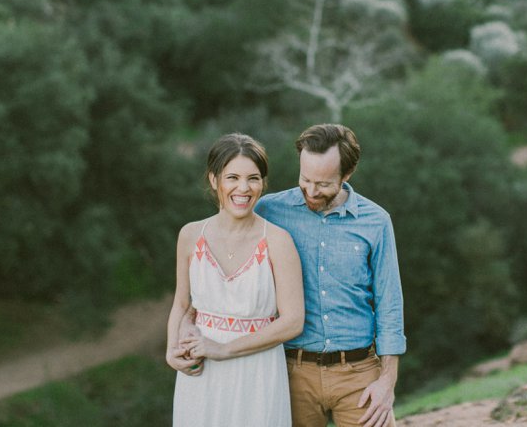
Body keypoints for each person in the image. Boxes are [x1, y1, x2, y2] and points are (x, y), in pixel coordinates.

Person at [255, 123, 405, 427]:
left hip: (359, 374)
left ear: (346, 175)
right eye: (305, 179)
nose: (311, 191)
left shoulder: (376, 221)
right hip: (291, 372)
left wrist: (387, 381)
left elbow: (389, 304)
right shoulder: (269, 211)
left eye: (322, 184)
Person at [167, 133, 304, 426]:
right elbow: (181, 303)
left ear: (262, 183)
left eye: (253, 178)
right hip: (201, 371)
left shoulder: (279, 241)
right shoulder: (190, 235)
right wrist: (170, 349)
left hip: (257, 371)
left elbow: (293, 320)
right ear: (214, 180)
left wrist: (223, 349)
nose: (244, 188)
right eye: (233, 177)